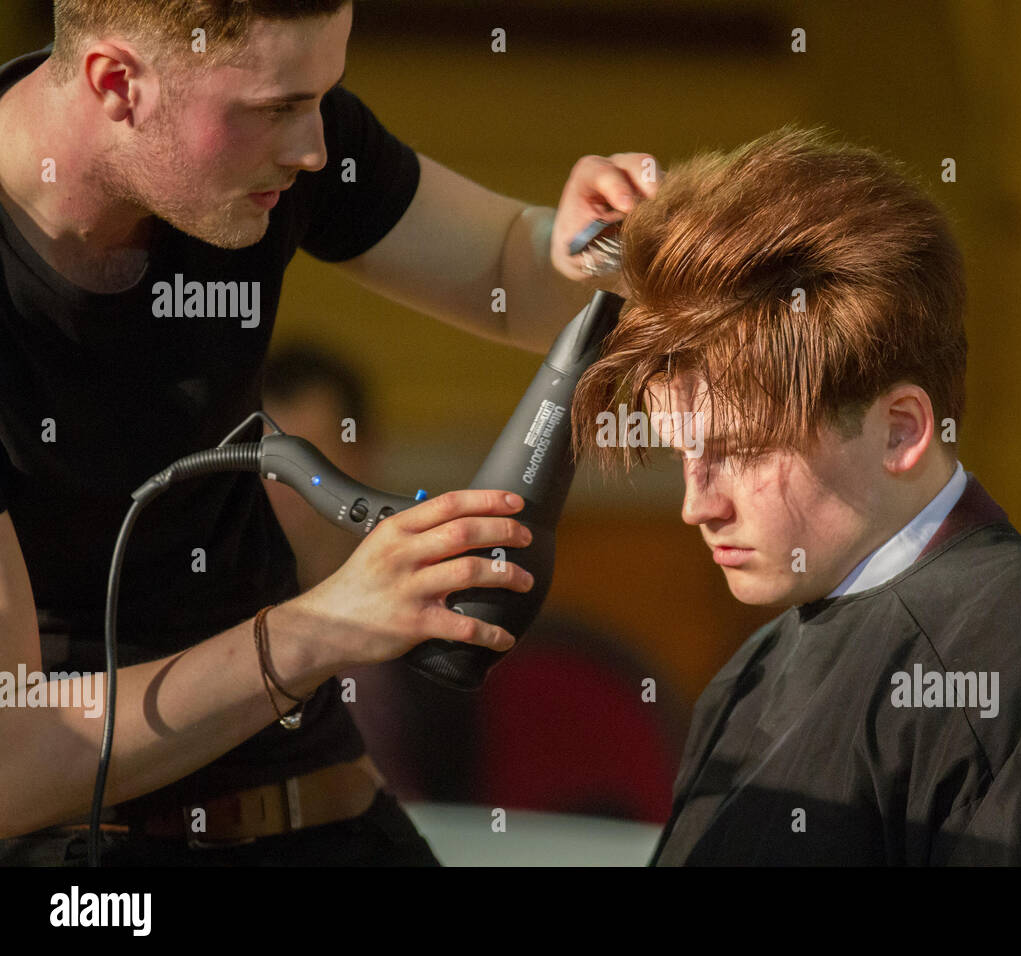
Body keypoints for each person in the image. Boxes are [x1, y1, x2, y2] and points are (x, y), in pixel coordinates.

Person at [0, 0, 656, 865]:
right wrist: (328, 628)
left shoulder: (279, 138)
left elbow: (509, 271)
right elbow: (11, 768)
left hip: (326, 803)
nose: (313, 148)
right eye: (277, 108)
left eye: (322, 97)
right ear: (118, 83)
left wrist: (583, 244)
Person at [570, 125, 1021, 865]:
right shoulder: (750, 675)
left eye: (743, 450)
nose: (697, 505)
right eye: (683, 452)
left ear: (902, 430)